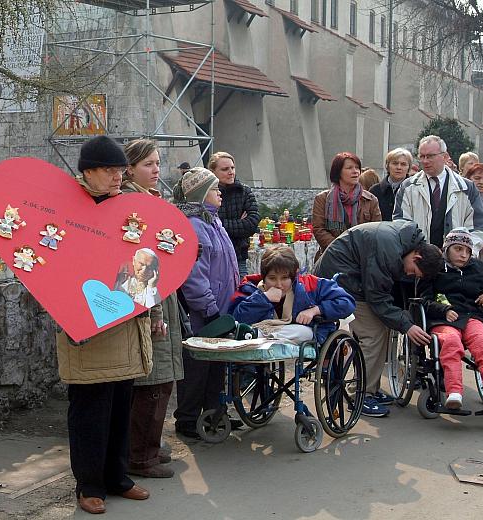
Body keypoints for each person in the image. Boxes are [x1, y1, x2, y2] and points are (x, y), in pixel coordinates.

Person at [56, 135, 152, 514]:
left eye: (120, 170)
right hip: (85, 322)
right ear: (88, 172)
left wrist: (150, 311)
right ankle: (89, 483)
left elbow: (146, 262)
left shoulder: (128, 210)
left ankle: (118, 476)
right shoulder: (68, 209)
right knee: (90, 408)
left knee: (121, 402)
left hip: (125, 319)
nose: (117, 177)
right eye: (110, 171)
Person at [313, 220, 444, 417]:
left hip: (350, 276)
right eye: (414, 271)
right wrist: (407, 325)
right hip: (338, 283)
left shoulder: (405, 240)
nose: (409, 274)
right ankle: (361, 394)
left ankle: (370, 388)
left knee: (383, 326)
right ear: (417, 256)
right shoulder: (388, 250)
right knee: (373, 334)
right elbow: (377, 297)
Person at [121, 139, 183, 479]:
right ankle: (139, 456)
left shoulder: (150, 200)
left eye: (158, 163)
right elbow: (139, 263)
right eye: (148, 164)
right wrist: (154, 312)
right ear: (130, 168)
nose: (156, 170)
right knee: (152, 382)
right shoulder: (133, 205)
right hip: (149, 300)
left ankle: (150, 446)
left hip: (161, 294)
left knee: (162, 381)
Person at [172, 167, 239, 439]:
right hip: (204, 314)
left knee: (216, 366)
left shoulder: (213, 222)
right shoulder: (195, 226)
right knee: (197, 367)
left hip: (220, 309)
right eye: (214, 189)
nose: (220, 192)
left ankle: (214, 415)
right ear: (200, 194)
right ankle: (187, 419)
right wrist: (209, 310)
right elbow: (194, 276)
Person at [419, 229, 483, 413]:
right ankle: (454, 392)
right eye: (458, 249)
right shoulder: (435, 269)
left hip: (472, 316)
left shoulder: (477, 267)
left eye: (467, 251)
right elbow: (423, 300)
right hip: (444, 319)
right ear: (447, 249)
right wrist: (444, 310)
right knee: (451, 342)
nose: (463, 255)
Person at [230, 245, 355, 345]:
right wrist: (264, 298)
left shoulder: (310, 284)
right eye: (272, 278)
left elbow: (347, 302)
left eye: (284, 278)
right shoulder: (251, 288)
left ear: (294, 276)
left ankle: (257, 335)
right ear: (264, 277)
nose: (278, 284)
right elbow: (237, 317)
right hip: (260, 336)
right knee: (239, 328)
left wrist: (315, 310)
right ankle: (255, 335)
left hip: (298, 333)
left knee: (303, 331)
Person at [393, 135, 483, 253]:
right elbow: (400, 224)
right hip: (419, 260)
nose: (425, 161)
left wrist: (465, 254)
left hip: (456, 263)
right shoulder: (408, 187)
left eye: (430, 156)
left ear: (445, 156)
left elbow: (477, 229)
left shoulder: (467, 188)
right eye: (422, 156)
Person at [312, 152, 382, 260]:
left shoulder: (370, 200)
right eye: (349, 168)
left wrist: (357, 250)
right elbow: (319, 229)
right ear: (338, 172)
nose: (355, 171)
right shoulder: (322, 199)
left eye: (357, 167)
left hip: (361, 259)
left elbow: (376, 230)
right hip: (332, 257)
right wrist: (340, 248)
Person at [208, 151, 260, 277]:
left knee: (240, 293)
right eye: (225, 169)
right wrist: (239, 222)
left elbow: (252, 224)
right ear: (213, 171)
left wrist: (220, 225)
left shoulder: (245, 191)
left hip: (238, 256)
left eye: (232, 167)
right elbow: (208, 225)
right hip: (214, 257)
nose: (230, 172)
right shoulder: (208, 194)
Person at [370, 148, 413, 221]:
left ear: (408, 168)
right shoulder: (375, 191)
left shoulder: (414, 190)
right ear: (387, 166)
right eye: (395, 163)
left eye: (403, 164)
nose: (399, 167)